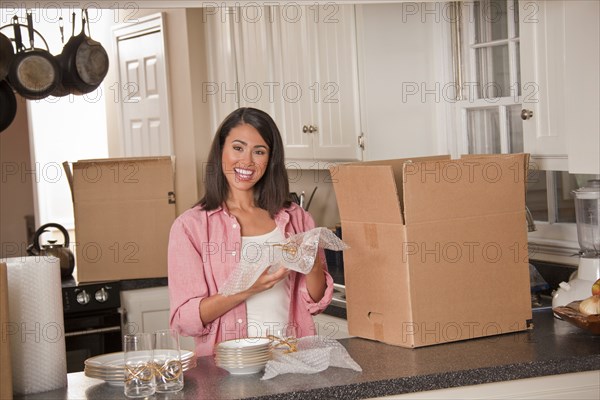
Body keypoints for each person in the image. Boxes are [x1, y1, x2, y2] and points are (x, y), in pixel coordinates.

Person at [167, 107, 334, 357]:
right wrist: (247, 288)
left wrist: (311, 267)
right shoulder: (190, 227)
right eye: (238, 148)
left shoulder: (297, 218)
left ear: (270, 159)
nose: (246, 161)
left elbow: (316, 301)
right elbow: (184, 320)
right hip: (227, 370)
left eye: (259, 151)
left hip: (292, 361)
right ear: (221, 150)